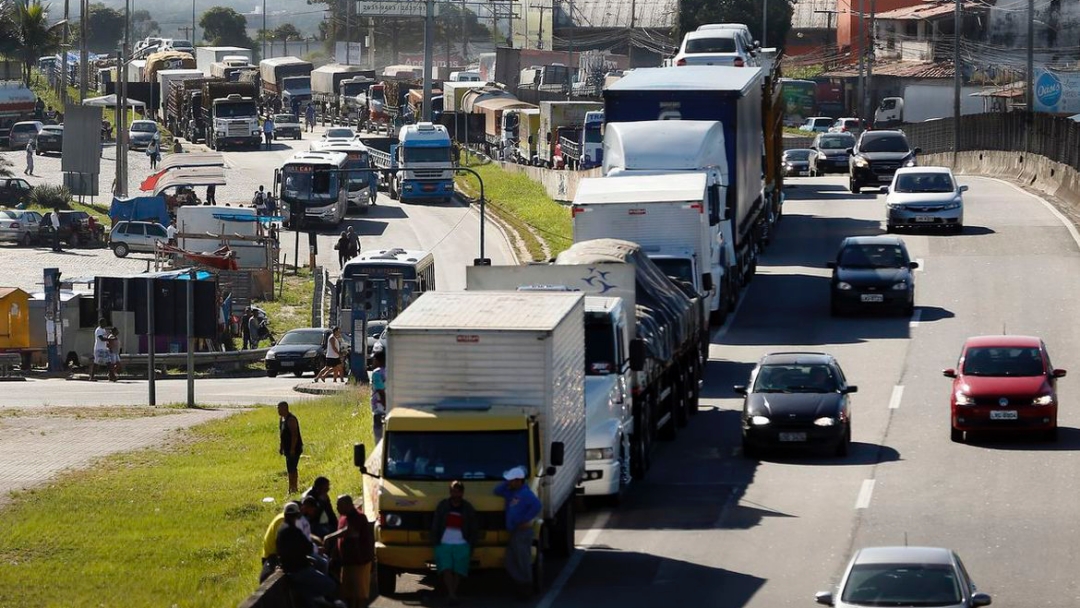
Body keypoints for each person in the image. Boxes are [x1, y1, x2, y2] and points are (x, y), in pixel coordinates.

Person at [276, 502, 339, 607]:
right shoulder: (294, 531)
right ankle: (318, 599)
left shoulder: (281, 530)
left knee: (307, 593)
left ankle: (312, 598)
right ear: (297, 515)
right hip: (300, 569)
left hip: (290, 569)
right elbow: (307, 547)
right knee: (330, 585)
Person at [494, 466, 542, 598]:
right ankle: (523, 583)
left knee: (523, 560)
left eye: (511, 480)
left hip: (523, 532)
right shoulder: (512, 492)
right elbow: (497, 490)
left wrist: (527, 520)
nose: (508, 482)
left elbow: (537, 505)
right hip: (514, 532)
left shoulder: (526, 494)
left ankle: (527, 587)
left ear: (518, 481)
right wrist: (507, 483)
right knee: (510, 561)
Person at [432, 481, 478, 605]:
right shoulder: (443, 506)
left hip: (462, 544)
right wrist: (435, 540)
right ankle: (451, 594)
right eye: (453, 491)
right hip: (444, 542)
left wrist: (471, 543)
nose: (455, 494)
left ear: (462, 493)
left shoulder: (467, 508)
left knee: (458, 570)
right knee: (446, 568)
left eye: (457, 491)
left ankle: (453, 593)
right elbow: (436, 523)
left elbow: (473, 527)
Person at [324, 495, 374, 608]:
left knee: (359, 594)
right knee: (348, 594)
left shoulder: (359, 517)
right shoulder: (342, 517)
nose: (336, 508)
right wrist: (334, 554)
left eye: (339, 505)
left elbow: (350, 531)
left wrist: (328, 537)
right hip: (347, 562)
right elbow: (340, 540)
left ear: (348, 505)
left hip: (360, 561)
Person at [279, 401, 304, 494]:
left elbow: (295, 435)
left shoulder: (291, 419)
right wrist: (281, 446)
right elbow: (281, 433)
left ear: (285, 408)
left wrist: (293, 448)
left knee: (292, 468)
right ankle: (291, 487)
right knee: (290, 468)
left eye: (280, 408)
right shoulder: (282, 419)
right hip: (287, 448)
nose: (278, 410)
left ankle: (293, 487)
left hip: (294, 448)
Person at [370, 351, 386, 424]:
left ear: (378, 360)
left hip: (379, 407)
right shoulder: (390, 371)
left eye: (374, 360)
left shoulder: (376, 373)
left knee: (378, 433)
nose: (373, 362)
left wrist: (385, 405)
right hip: (391, 406)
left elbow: (380, 391)